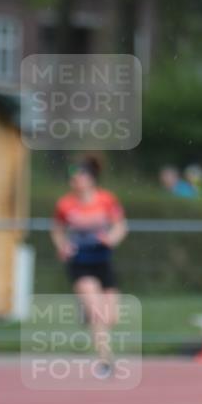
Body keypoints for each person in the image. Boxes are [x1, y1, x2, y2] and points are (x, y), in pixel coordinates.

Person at [51, 156, 128, 378]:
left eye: (80, 177)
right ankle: (105, 360)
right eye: (72, 178)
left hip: (102, 261)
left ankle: (87, 314)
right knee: (96, 313)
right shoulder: (65, 204)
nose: (76, 181)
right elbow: (56, 229)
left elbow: (121, 225)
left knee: (110, 316)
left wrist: (111, 238)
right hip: (80, 263)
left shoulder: (106, 200)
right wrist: (62, 246)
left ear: (91, 179)